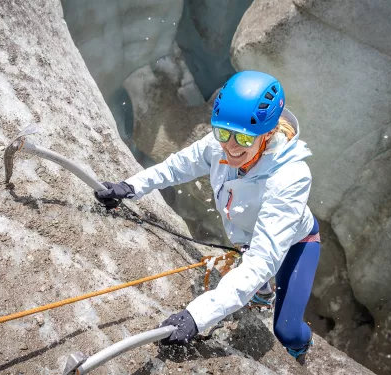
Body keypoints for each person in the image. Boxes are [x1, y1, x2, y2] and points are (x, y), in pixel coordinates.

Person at [94, 71, 321, 365]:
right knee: (255, 273)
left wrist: (197, 317)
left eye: (243, 137)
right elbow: (176, 167)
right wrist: (130, 187)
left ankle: (302, 347)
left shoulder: (290, 177)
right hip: (250, 241)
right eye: (223, 132)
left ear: (267, 133)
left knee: (286, 329)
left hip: (295, 243)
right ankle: (263, 292)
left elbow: (264, 258)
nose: (231, 146)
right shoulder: (221, 143)